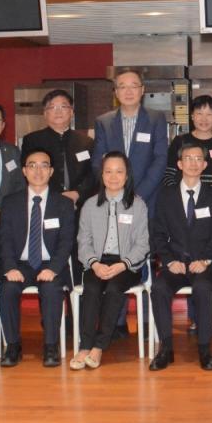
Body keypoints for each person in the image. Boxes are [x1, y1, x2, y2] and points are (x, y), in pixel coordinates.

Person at [149, 143, 212, 372]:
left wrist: (205, 261)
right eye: (188, 158)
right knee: (159, 289)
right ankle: (166, 349)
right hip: (175, 264)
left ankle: (204, 349)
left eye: (198, 159)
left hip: (204, 265)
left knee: (203, 289)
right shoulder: (166, 196)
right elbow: (158, 234)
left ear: (205, 164)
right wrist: (169, 261)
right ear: (179, 164)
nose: (193, 163)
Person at [0, 148, 75, 368]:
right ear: (24, 171)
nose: (38, 171)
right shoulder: (10, 202)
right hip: (19, 265)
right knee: (8, 289)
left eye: (44, 166)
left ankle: (50, 345)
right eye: (32, 165)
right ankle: (13, 345)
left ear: (51, 171)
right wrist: (10, 267)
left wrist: (54, 268)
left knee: (51, 289)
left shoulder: (64, 204)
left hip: (51, 264)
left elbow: (66, 242)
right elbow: (4, 240)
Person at [72, 152, 149, 370]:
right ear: (101, 175)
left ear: (127, 176)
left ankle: (99, 346)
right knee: (92, 288)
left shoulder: (138, 205)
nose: (113, 177)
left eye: (119, 172)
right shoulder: (89, 205)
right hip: (97, 262)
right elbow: (83, 241)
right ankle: (84, 346)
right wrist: (94, 264)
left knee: (115, 289)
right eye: (108, 172)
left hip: (127, 265)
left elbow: (143, 244)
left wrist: (123, 264)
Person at [91, 68, 167, 213]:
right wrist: (115, 191)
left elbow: (160, 159)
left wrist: (139, 195)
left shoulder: (156, 119)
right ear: (116, 92)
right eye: (122, 87)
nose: (128, 91)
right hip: (113, 198)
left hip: (147, 199)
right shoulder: (103, 122)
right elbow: (97, 162)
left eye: (133, 86)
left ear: (142, 90)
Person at [19, 88, 96, 208]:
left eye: (63, 106)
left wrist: (77, 194)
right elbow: (27, 173)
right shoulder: (32, 140)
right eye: (52, 107)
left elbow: (93, 173)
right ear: (45, 114)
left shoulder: (87, 142)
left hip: (81, 204)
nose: (58, 111)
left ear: (72, 112)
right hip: (45, 203)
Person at [162, 95, 212, 189]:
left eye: (209, 114)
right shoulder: (180, 141)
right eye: (199, 113)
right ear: (192, 116)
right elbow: (168, 175)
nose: (204, 119)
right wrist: (179, 193)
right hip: (182, 195)